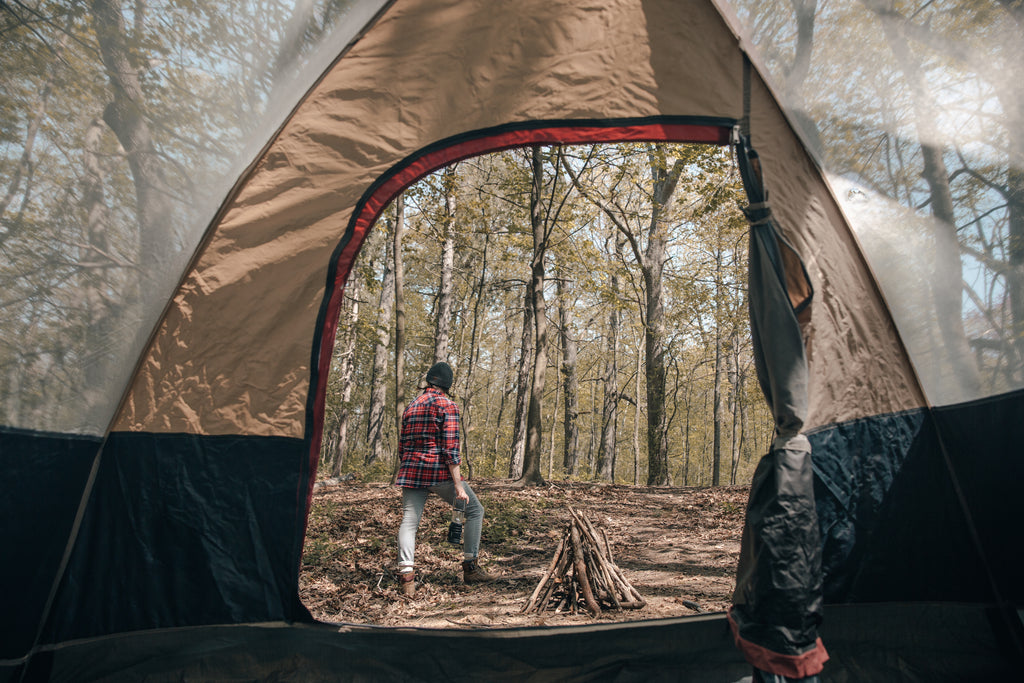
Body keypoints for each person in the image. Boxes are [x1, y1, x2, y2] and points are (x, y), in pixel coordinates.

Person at [395, 361, 493, 596]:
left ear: (429, 381)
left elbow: (402, 445)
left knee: (409, 522)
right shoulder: (447, 405)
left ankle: (406, 577)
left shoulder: (411, 405)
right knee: (475, 510)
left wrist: (408, 465)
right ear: (447, 385)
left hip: (411, 471)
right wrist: (458, 485)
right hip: (438, 472)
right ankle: (470, 567)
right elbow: (450, 449)